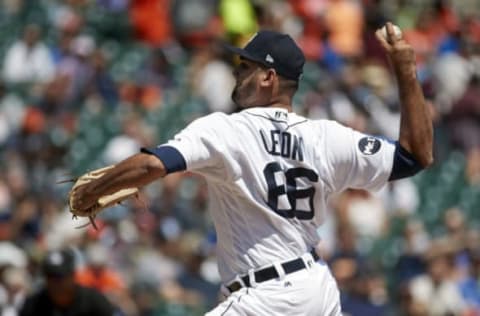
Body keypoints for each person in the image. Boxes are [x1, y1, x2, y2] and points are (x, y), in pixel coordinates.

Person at [70, 23, 433, 315]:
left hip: (268, 296)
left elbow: (153, 163)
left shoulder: (227, 129)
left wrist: (94, 188)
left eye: (246, 67)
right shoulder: (326, 136)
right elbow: (413, 157)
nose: (237, 72)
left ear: (267, 78)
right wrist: (405, 70)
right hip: (316, 291)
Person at [19, 248, 116, 316]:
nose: (54, 283)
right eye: (50, 276)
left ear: (72, 276)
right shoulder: (34, 304)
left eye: (59, 277)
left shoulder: (93, 300)